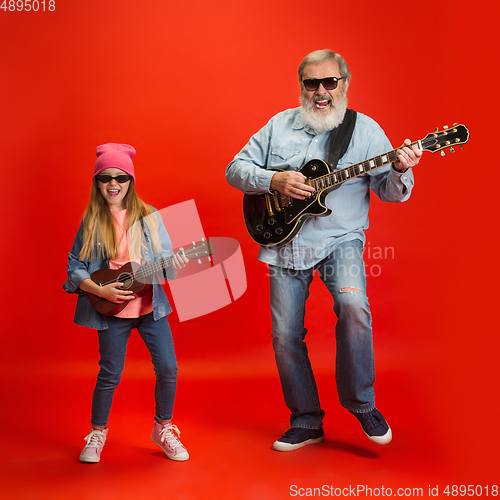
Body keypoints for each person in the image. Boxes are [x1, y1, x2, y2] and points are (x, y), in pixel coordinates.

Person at [225, 49, 422, 451]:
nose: (320, 91)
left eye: (329, 82)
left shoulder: (365, 131)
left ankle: (362, 404)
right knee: (285, 336)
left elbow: (388, 191)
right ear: (302, 86)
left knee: (354, 307)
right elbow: (234, 170)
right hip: (284, 242)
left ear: (344, 84)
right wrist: (273, 179)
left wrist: (400, 168)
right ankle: (306, 420)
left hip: (341, 238)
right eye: (311, 83)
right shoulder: (278, 125)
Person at [63, 143, 190, 463]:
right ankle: (97, 432)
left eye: (121, 177)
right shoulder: (91, 221)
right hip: (111, 312)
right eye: (105, 178)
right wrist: (100, 290)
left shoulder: (150, 217)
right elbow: (74, 265)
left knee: (168, 368)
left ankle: (163, 427)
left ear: (131, 181)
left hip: (151, 309)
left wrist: (174, 262)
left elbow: (166, 265)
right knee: (110, 373)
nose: (113, 183)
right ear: (97, 183)